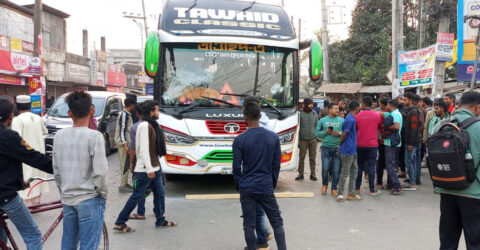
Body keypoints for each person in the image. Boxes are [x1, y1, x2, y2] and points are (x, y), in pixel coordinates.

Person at [52, 92, 108, 250]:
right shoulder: (94, 136)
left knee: (68, 244)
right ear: (92, 110)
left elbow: (56, 171)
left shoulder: (59, 136)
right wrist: (103, 194)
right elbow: (101, 172)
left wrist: (64, 191)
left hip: (68, 198)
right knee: (88, 245)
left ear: (70, 113)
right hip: (89, 199)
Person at [114, 100, 176, 232]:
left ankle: (160, 220)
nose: (159, 113)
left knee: (160, 194)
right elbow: (143, 149)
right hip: (145, 169)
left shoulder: (153, 125)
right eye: (157, 110)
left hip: (155, 167)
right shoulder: (144, 126)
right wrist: (149, 169)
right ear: (151, 112)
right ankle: (120, 222)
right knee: (137, 196)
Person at [233, 100, 286, 250]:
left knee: (249, 224)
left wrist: (240, 185)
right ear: (260, 115)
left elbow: (236, 168)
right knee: (277, 222)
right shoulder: (273, 137)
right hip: (265, 185)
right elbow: (276, 165)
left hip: (247, 187)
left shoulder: (239, 140)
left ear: (245, 118)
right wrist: (272, 182)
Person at [0, 97, 53, 250]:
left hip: (6, 188)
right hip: (5, 197)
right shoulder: (8, 136)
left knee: (2, 238)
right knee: (33, 235)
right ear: (10, 116)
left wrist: (19, 182)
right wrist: (60, 168)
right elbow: (34, 158)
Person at [433, 91, 480, 249]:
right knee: (475, 242)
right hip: (473, 194)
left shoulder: (441, 125)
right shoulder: (478, 127)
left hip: (447, 188)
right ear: (477, 107)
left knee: (447, 241)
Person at [11, 95, 49, 206]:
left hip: (25, 155)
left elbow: (16, 138)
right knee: (36, 178)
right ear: (30, 105)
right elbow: (44, 131)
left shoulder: (17, 120)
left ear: (17, 106)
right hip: (38, 155)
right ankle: (36, 203)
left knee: (26, 177)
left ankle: (26, 205)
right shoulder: (38, 118)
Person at [354, 96, 382, 196]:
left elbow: (356, 129)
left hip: (360, 144)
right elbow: (379, 127)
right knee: (371, 167)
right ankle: (372, 189)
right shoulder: (376, 116)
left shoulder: (357, 116)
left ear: (364, 104)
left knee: (359, 167)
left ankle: (357, 188)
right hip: (372, 145)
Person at [316, 103, 344, 196]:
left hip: (337, 148)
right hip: (325, 148)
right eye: (335, 108)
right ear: (329, 110)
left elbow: (346, 132)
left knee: (336, 170)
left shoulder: (342, 120)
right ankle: (324, 185)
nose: (337, 110)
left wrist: (339, 133)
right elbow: (317, 133)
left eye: (338, 108)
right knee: (325, 168)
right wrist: (325, 132)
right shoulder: (322, 120)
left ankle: (334, 188)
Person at [337, 101, 362, 202]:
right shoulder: (350, 120)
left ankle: (351, 193)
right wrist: (340, 144)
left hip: (352, 149)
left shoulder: (350, 118)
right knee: (345, 172)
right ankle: (340, 193)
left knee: (354, 171)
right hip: (348, 149)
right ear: (356, 108)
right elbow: (344, 134)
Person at [127, 104, 148, 220]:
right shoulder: (154, 125)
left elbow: (133, 148)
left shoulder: (134, 127)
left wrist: (131, 163)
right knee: (157, 188)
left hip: (140, 161)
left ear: (137, 114)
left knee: (139, 187)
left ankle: (141, 212)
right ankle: (158, 211)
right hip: (153, 162)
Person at [402, 93, 423, 191]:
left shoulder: (413, 112)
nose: (403, 101)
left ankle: (412, 183)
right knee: (412, 160)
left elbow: (414, 128)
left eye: (405, 100)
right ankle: (413, 180)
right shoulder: (412, 111)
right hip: (414, 140)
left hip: (412, 141)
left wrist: (410, 143)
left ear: (410, 101)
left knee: (409, 161)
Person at [381, 100, 403, 195]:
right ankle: (390, 184)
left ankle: (396, 186)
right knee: (391, 164)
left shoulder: (395, 114)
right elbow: (383, 114)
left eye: (387, 105)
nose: (386, 107)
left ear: (391, 105)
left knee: (389, 164)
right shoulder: (394, 113)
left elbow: (396, 127)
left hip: (391, 143)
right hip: (394, 142)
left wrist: (385, 126)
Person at [115, 97, 137, 192]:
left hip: (126, 143)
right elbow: (122, 130)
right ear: (131, 105)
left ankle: (125, 184)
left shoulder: (127, 114)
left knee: (127, 164)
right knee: (124, 164)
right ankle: (123, 185)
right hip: (124, 144)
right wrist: (125, 145)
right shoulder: (124, 115)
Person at [296, 98, 319, 181]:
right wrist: (298, 140)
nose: (311, 105)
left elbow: (317, 126)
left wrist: (316, 138)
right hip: (303, 139)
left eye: (312, 104)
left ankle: (313, 174)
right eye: (310, 104)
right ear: (305, 104)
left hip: (313, 139)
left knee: (312, 158)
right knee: (301, 157)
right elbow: (297, 127)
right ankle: (300, 174)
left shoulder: (314, 114)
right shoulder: (299, 114)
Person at [375, 97, 389, 189]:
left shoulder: (379, 114)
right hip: (390, 141)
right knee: (389, 162)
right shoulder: (392, 112)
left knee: (380, 161)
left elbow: (378, 125)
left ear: (381, 104)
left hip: (381, 140)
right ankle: (389, 182)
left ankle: (379, 182)